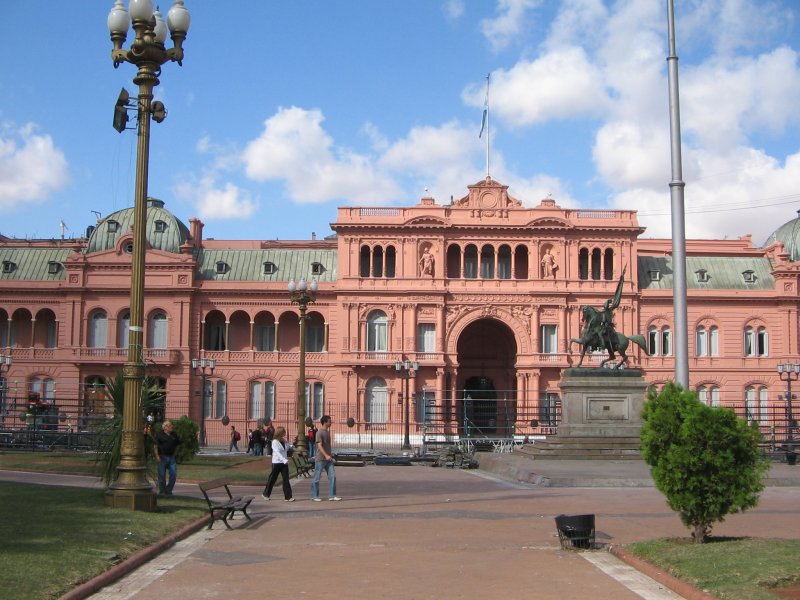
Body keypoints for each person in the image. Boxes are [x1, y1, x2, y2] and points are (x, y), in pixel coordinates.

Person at [310, 415, 340, 501]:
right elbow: (319, 445)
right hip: (320, 458)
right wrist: (326, 455)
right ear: (325, 422)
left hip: (328, 459)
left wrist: (329, 454)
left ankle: (332, 495)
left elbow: (326, 445)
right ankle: (314, 496)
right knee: (317, 477)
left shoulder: (327, 432)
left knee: (332, 476)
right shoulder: (319, 432)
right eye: (329, 421)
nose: (331, 423)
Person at [261, 426, 295, 502]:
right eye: (283, 432)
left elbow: (287, 448)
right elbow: (277, 452)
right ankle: (265, 494)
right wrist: (283, 460)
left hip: (284, 463)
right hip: (277, 462)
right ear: (280, 433)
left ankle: (288, 497)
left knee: (286, 479)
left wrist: (290, 444)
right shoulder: (275, 442)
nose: (284, 434)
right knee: (272, 479)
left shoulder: (283, 441)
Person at [154, 420, 181, 496]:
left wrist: (175, 453)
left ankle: (168, 490)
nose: (171, 427)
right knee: (161, 475)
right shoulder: (160, 435)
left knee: (173, 474)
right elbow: (155, 446)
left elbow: (178, 444)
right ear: (165, 427)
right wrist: (157, 456)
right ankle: (162, 491)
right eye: (170, 426)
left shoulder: (174, 435)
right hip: (162, 457)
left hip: (171, 458)